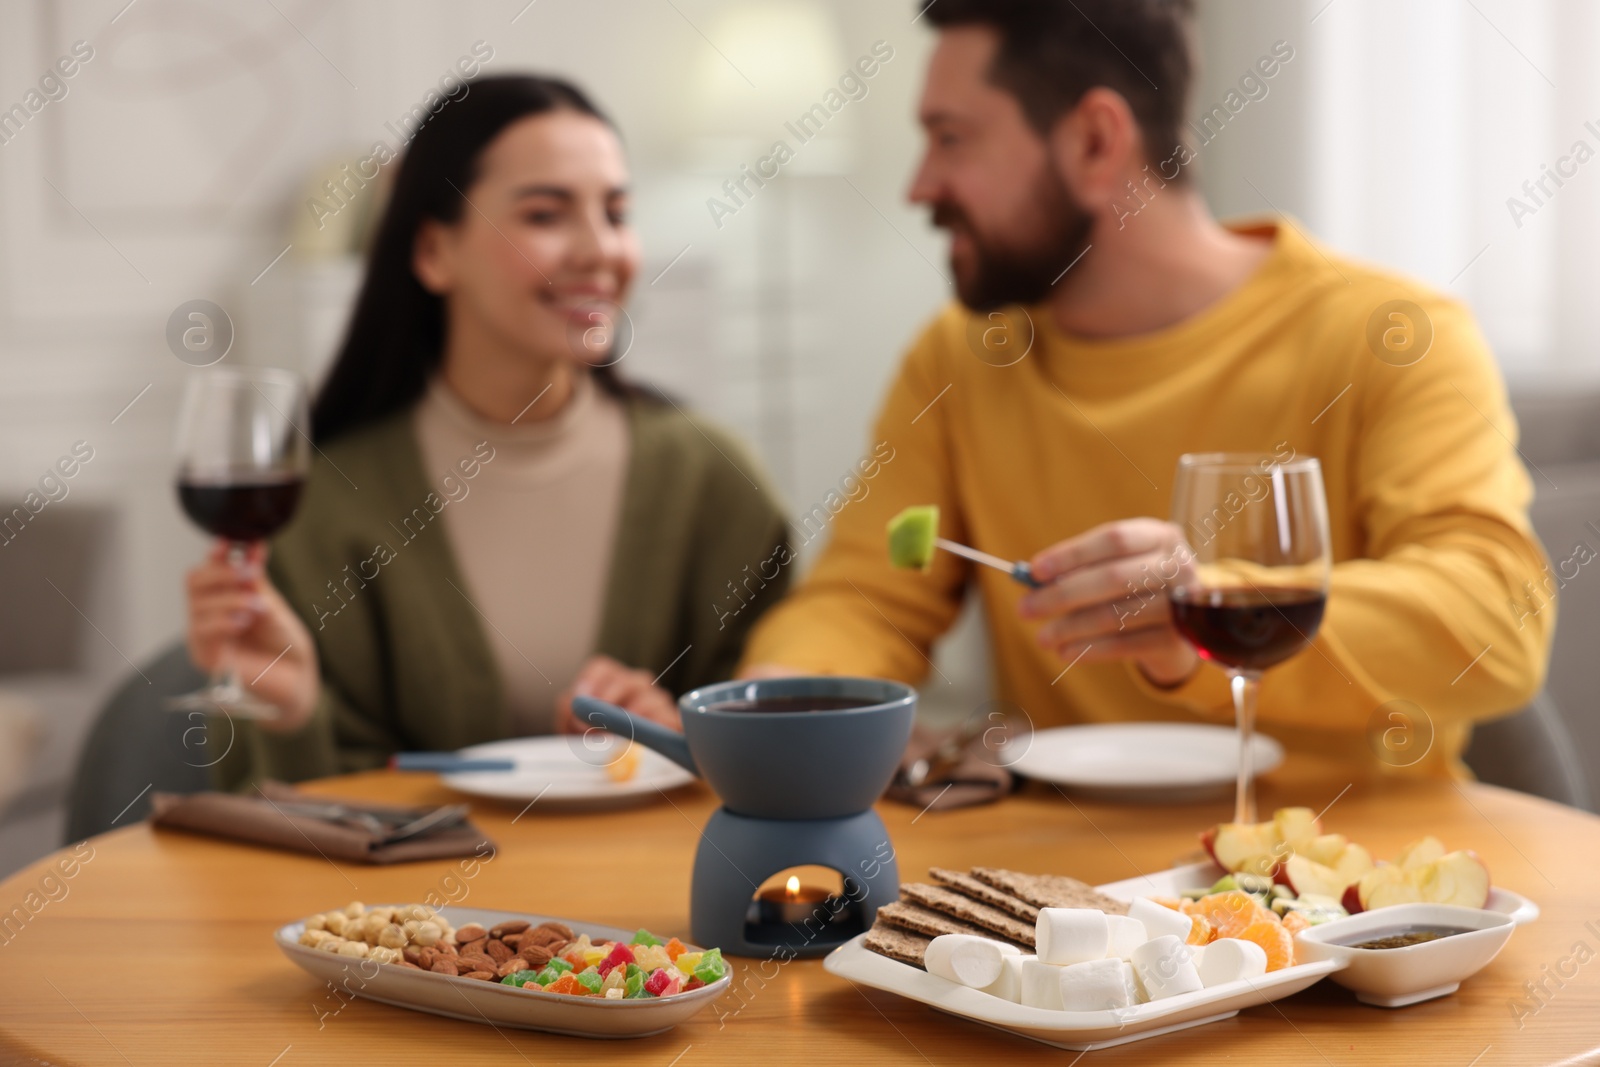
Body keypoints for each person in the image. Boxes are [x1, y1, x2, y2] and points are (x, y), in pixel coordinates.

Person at [737, 0, 1553, 778]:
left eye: (952, 139)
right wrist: (780, 694)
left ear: (1096, 142)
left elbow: (1494, 618)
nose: (919, 185)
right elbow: (866, 600)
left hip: (1348, 891)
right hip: (1072, 906)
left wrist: (1205, 610)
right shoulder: (959, 359)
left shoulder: (1391, 337)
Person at [186, 75, 789, 786]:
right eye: (545, 215)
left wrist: (688, 738)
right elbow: (296, 824)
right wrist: (289, 713)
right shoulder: (327, 505)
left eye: (617, 213)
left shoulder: (713, 481)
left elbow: (779, 756)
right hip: (423, 901)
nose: (600, 249)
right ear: (434, 251)